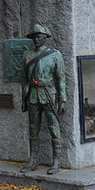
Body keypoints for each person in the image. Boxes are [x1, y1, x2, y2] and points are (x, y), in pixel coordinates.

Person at [20, 23, 66, 174]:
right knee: (33, 127)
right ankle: (33, 160)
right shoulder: (27, 55)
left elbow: (60, 78)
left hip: (49, 95)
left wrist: (63, 99)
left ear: (45, 38)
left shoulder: (55, 55)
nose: (37, 39)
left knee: (54, 127)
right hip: (33, 95)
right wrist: (23, 99)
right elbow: (23, 79)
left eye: (40, 37)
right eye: (35, 37)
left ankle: (56, 161)